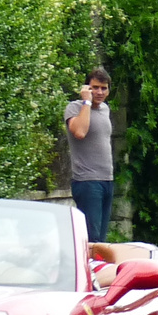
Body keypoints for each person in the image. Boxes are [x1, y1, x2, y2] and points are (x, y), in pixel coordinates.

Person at [65, 68, 114, 242]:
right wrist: (86, 102)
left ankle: (97, 269)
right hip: (87, 181)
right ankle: (84, 268)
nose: (99, 92)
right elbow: (79, 132)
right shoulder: (75, 107)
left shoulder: (105, 109)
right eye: (95, 87)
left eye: (104, 88)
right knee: (91, 238)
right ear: (87, 88)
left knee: (101, 238)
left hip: (106, 179)